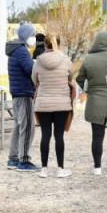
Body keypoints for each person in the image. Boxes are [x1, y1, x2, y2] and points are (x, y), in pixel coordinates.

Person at [75, 30, 107, 175]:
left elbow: (79, 78)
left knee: (97, 137)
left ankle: (97, 167)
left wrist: (89, 88)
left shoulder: (88, 59)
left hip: (95, 102)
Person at [32, 34, 75, 178]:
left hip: (43, 103)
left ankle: (44, 169)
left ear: (45, 45)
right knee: (59, 136)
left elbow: (34, 79)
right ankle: (60, 169)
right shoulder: (66, 60)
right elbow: (70, 77)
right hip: (62, 104)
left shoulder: (38, 61)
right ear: (59, 44)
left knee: (45, 135)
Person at [6, 23, 39, 172]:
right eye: (32, 35)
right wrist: (38, 65)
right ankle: (23, 160)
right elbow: (31, 70)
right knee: (28, 128)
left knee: (19, 126)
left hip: (17, 92)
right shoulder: (22, 51)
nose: (34, 38)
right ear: (26, 35)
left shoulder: (15, 50)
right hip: (24, 93)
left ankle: (13, 158)